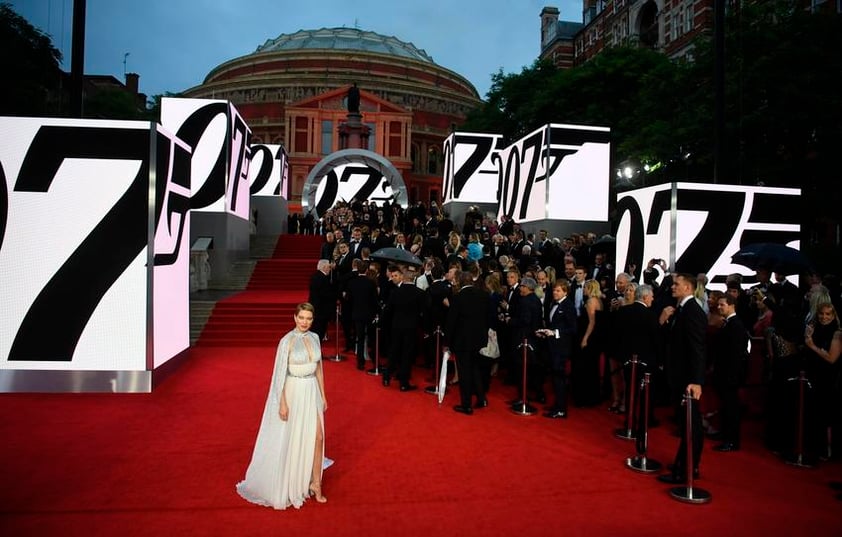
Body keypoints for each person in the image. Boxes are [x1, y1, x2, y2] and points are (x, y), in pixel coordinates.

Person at [236, 303, 329, 508]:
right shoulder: (286, 341)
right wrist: (282, 403)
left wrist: (323, 395)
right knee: (293, 436)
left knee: (318, 437)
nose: (305, 322)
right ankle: (296, 478)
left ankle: (316, 483)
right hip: (293, 391)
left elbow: (319, 368)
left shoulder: (314, 338)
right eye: (301, 317)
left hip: (311, 390)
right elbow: (278, 375)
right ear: (295, 318)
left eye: (309, 319)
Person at [657, 273, 707, 485]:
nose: (672, 287)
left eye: (676, 284)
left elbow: (698, 348)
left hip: (687, 378)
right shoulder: (683, 309)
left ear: (688, 287)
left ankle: (686, 469)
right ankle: (684, 464)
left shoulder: (693, 311)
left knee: (691, 424)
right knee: (686, 423)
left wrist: (696, 380)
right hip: (680, 375)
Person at [447, 271, 490, 415]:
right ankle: (481, 398)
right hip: (478, 340)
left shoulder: (458, 297)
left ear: (459, 281)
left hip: (462, 341)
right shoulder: (483, 295)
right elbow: (488, 317)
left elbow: (451, 322)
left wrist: (447, 342)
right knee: (475, 369)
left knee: (465, 372)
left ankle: (466, 405)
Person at [711, 294, 750, 452]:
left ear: (732, 306)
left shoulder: (736, 325)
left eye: (722, 305)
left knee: (731, 408)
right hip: (724, 373)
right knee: (726, 406)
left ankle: (732, 441)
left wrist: (732, 377)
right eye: (718, 305)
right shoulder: (728, 324)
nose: (719, 307)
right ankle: (725, 434)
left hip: (730, 375)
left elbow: (736, 354)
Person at [539, 280, 577, 418]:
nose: (555, 293)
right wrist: (545, 332)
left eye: (558, 290)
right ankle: (558, 405)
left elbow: (573, 329)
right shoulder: (553, 304)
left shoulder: (568, 306)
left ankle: (561, 409)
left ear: (565, 292)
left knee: (559, 378)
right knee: (555, 378)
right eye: (554, 290)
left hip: (562, 348)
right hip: (552, 346)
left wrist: (555, 333)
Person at [308, 260, 336, 340]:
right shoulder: (322, 278)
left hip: (316, 308)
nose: (330, 269)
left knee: (317, 332)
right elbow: (325, 294)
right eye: (329, 267)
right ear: (324, 267)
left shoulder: (315, 276)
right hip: (321, 310)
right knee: (318, 332)